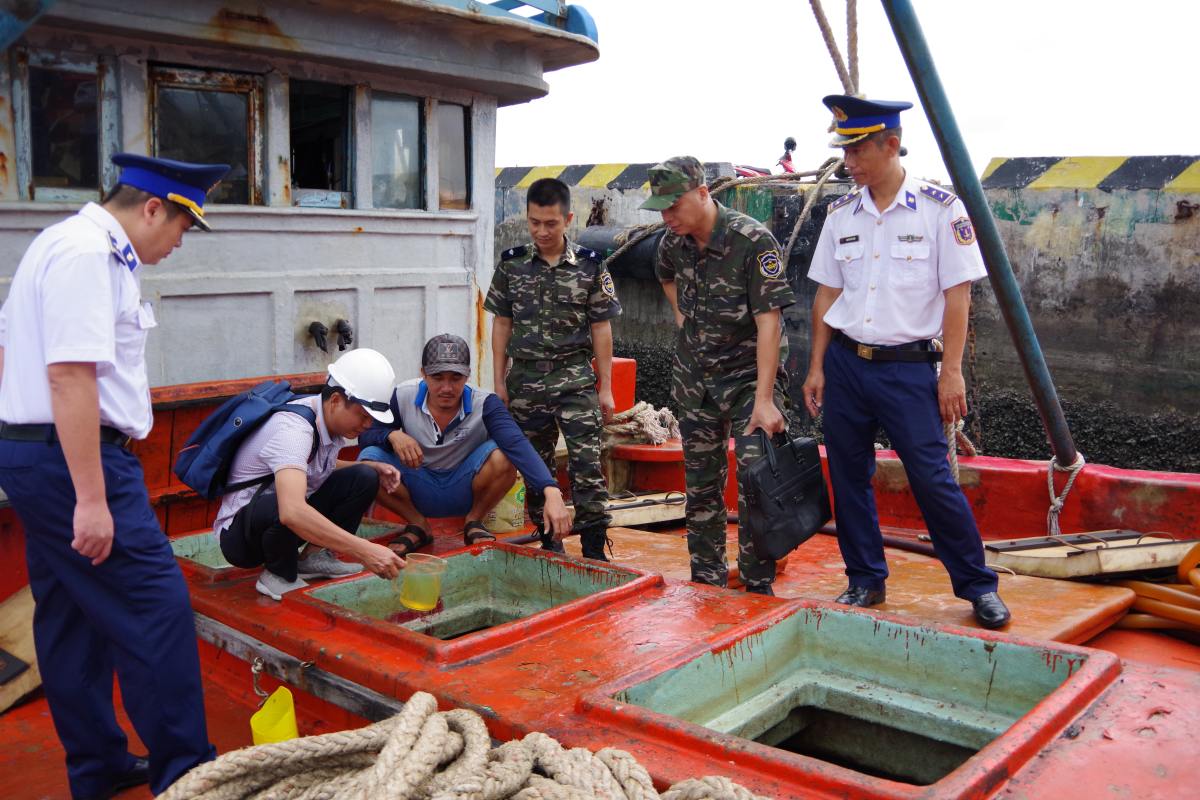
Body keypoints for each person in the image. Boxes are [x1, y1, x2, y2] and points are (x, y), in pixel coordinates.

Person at [0, 153, 226, 798]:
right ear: (153, 207)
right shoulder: (87, 257)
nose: (180, 242)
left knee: (69, 614)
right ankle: (188, 776)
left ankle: (97, 768)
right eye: (182, 227)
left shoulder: (57, 243)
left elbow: (10, 354)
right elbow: (70, 375)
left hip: (38, 454)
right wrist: (92, 498)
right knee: (157, 610)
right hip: (78, 460)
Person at [801, 94, 1011, 629]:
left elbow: (957, 296)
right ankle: (865, 579)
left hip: (909, 367)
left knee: (932, 478)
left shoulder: (942, 210)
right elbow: (826, 295)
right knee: (847, 475)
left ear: (890, 145)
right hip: (847, 364)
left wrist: (952, 371)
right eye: (844, 151)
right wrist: (817, 366)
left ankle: (976, 585)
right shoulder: (840, 215)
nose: (849, 163)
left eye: (858, 150)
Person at [643, 156, 795, 595]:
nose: (667, 217)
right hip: (696, 377)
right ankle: (706, 580)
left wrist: (766, 400)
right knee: (701, 484)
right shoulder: (673, 242)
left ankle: (757, 581)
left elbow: (771, 323)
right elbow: (664, 274)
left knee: (755, 479)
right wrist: (683, 319)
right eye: (661, 209)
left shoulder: (752, 241)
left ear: (704, 193)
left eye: (674, 206)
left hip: (750, 376)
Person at [485, 177, 619, 560]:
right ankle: (550, 544)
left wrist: (605, 387)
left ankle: (594, 549)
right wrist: (499, 383)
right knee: (534, 467)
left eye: (551, 224)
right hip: (525, 380)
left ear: (568, 219)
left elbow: (601, 327)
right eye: (534, 223)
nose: (542, 232)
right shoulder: (511, 266)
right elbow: (501, 325)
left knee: (587, 466)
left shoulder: (591, 267)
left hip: (574, 379)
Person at [214, 347, 405, 601]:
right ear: (336, 400)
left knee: (363, 478)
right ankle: (278, 575)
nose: (368, 425)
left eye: (372, 418)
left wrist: (370, 467)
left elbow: (310, 467)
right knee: (285, 503)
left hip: (276, 526)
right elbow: (291, 511)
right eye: (363, 415)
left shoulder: (325, 419)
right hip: (242, 539)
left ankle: (314, 557)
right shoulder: (294, 431)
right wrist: (365, 550)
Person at [358, 334, 572, 551]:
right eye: (437, 377)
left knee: (503, 456)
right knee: (368, 462)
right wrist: (392, 435)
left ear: (468, 375)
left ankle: (474, 521)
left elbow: (517, 444)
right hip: (416, 482)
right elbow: (366, 434)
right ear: (423, 374)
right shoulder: (402, 395)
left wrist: (551, 490)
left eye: (456, 377)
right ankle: (417, 525)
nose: (447, 387)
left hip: (463, 486)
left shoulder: (486, 403)